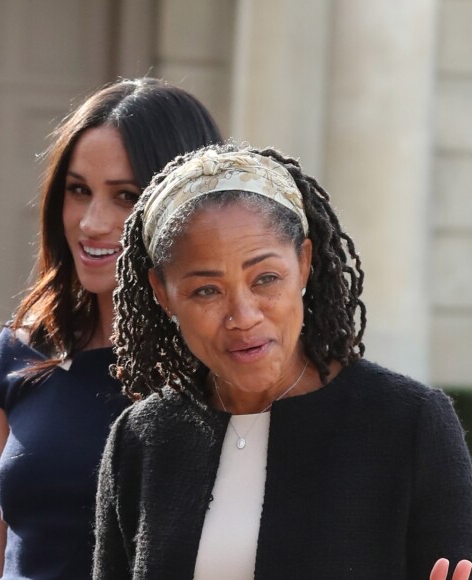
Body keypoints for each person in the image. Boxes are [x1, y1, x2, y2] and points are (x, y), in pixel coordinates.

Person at [94, 143, 472, 579]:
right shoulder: (140, 440)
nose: (243, 316)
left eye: (266, 279)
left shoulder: (409, 425)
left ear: (304, 263)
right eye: (206, 290)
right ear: (163, 293)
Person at [0, 78, 222, 580]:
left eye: (125, 196)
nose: (91, 222)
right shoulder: (20, 351)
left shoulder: (226, 370)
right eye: (78, 191)